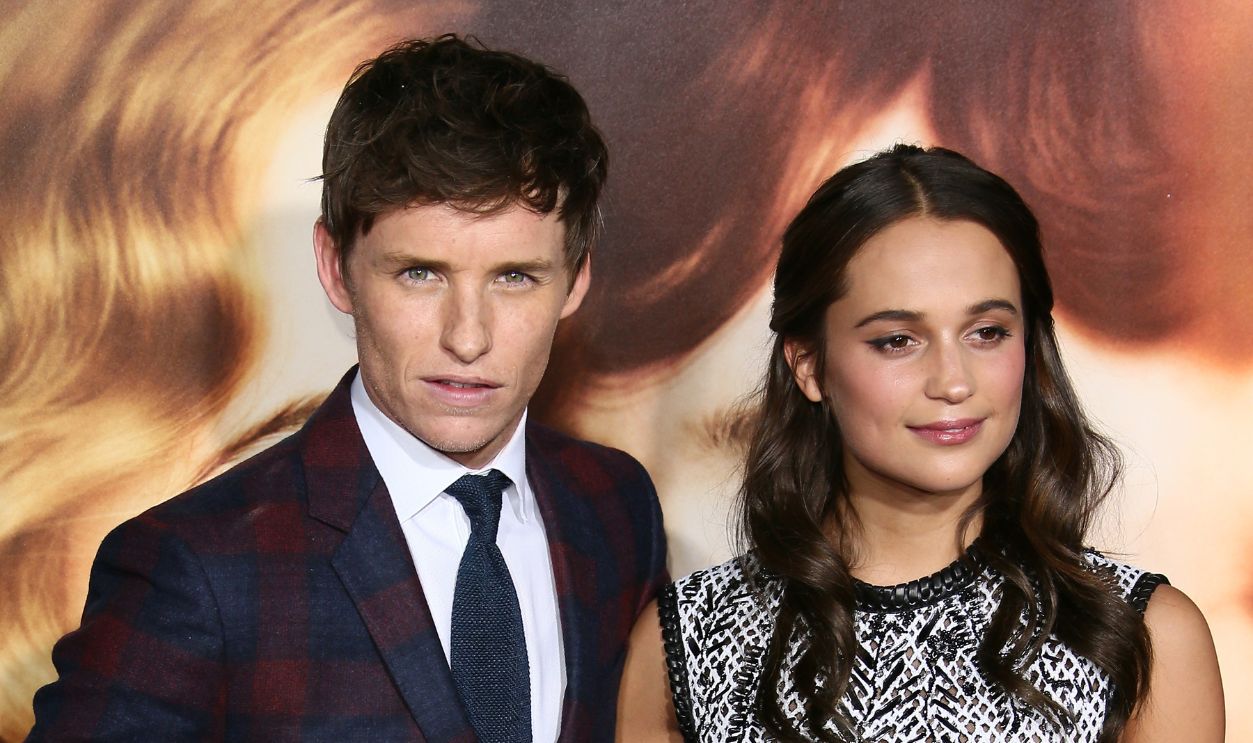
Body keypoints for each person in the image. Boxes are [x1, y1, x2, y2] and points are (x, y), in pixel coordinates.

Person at [27, 34, 668, 742]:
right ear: (336, 268)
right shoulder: (196, 566)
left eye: (515, 276)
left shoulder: (614, 507)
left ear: (574, 279)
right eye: (419, 272)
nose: (468, 337)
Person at [616, 145, 1223, 742]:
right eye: (897, 340)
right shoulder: (688, 647)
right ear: (808, 365)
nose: (954, 382)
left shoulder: (1139, 637)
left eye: (987, 332)